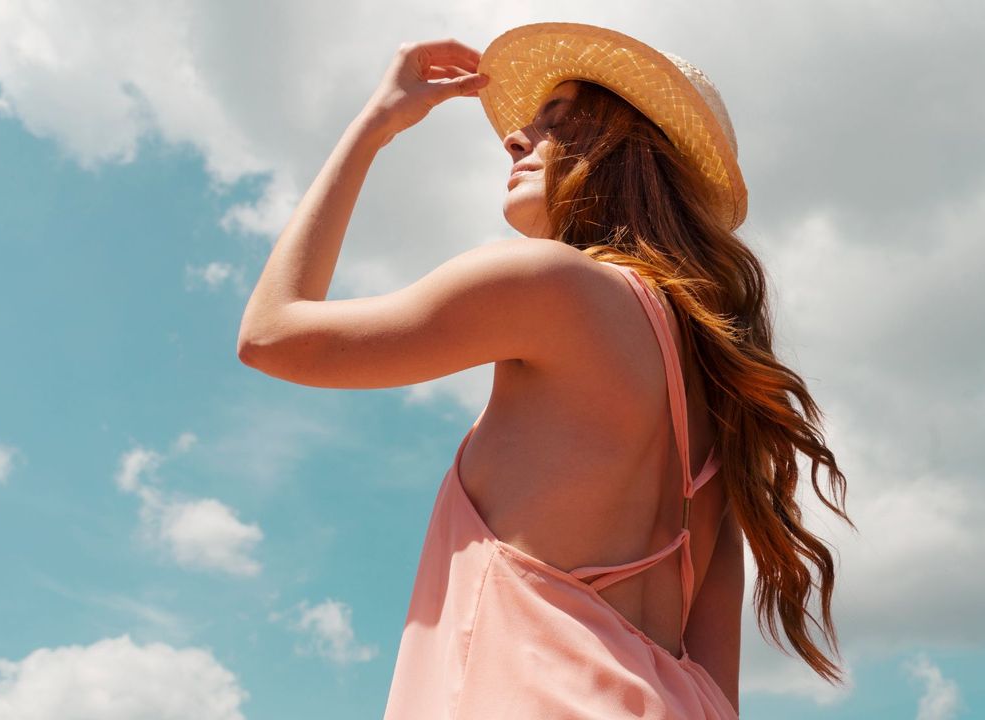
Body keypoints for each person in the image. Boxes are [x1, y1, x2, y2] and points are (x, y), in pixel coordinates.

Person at [237, 21, 855, 720]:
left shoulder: (546, 283)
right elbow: (719, 691)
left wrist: (373, 126)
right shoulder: (724, 407)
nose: (515, 138)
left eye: (558, 123)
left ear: (627, 154)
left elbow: (269, 336)